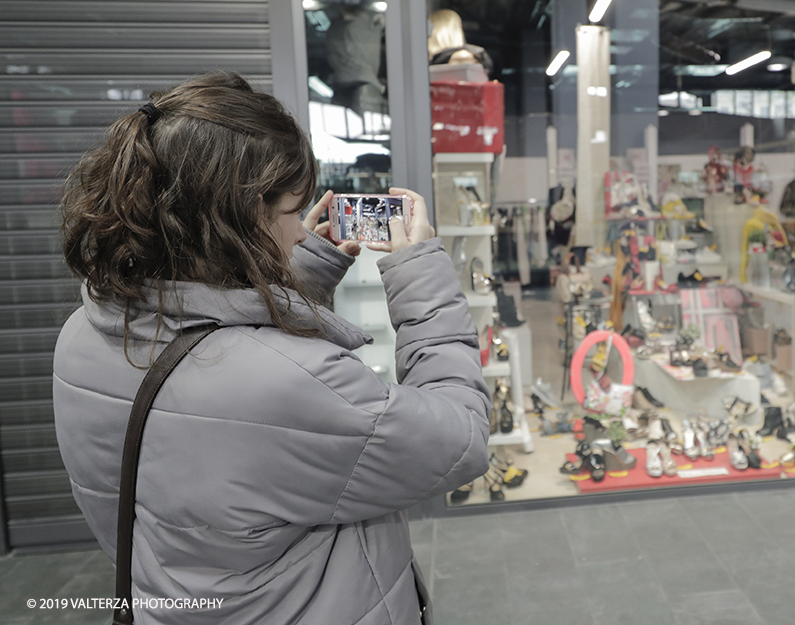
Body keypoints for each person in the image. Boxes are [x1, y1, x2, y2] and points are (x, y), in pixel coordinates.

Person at [53, 72, 490, 624]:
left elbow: (211, 405)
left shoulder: (82, 334)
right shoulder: (291, 384)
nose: (303, 232)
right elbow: (459, 437)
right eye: (289, 214)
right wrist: (420, 270)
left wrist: (295, 274)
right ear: (237, 222)